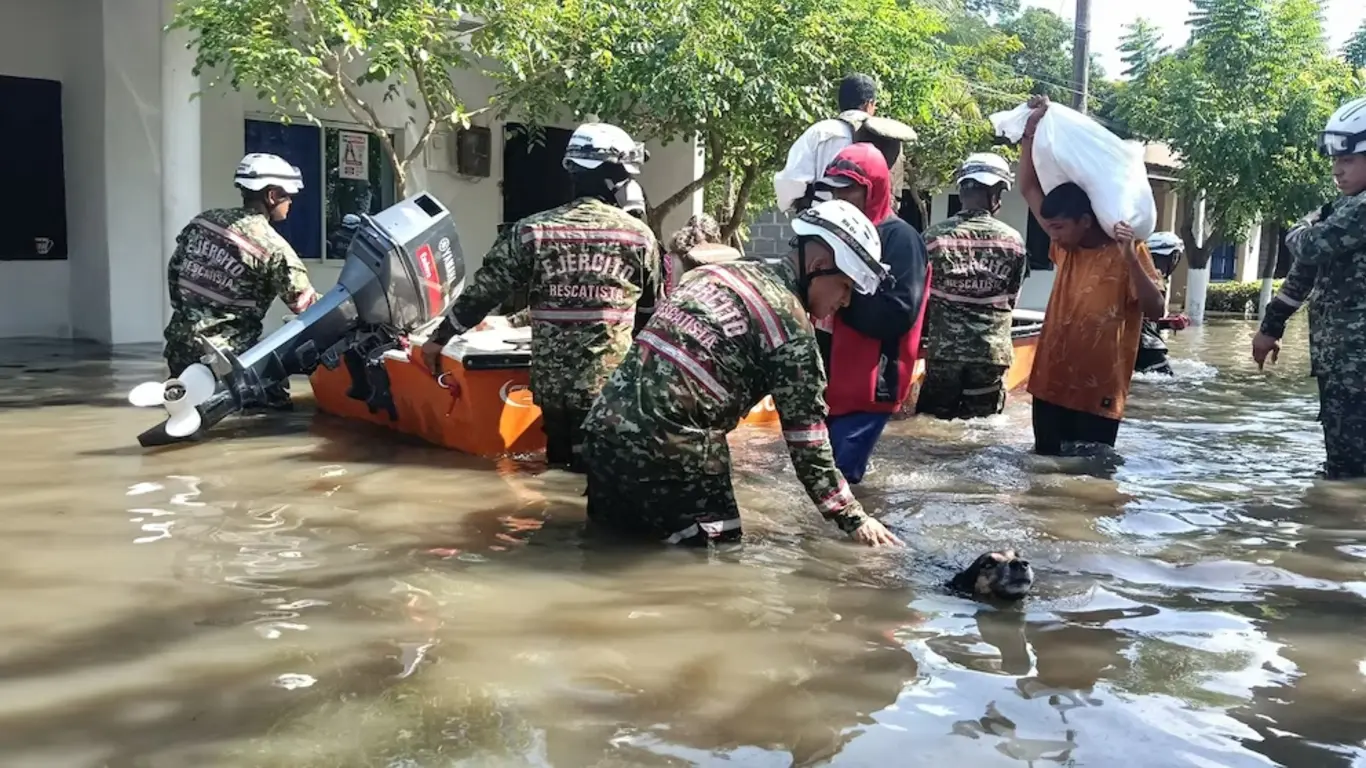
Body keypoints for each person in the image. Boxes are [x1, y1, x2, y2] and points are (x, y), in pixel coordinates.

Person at [581, 199, 903, 548]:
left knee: (607, 549)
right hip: (675, 456)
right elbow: (808, 444)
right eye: (845, 286)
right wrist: (854, 517)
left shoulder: (714, 274)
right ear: (819, 265)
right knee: (720, 566)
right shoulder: (791, 331)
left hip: (601, 434)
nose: (847, 302)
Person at [420, 122, 660, 473]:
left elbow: (483, 294)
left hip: (551, 391)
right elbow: (652, 317)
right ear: (615, 177)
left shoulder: (532, 232)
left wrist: (437, 340)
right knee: (596, 483)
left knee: (558, 469)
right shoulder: (639, 238)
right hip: (609, 392)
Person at [1017, 96, 1166, 456]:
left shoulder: (1127, 250)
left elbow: (1157, 309)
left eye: (1059, 228)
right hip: (1050, 384)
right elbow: (1028, 189)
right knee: (1045, 476)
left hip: (1099, 391)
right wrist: (1029, 134)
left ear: (1085, 221)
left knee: (1089, 481)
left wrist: (1131, 258)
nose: (1052, 235)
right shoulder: (1064, 246)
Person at [1252, 95, 1366, 480]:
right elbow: (1304, 272)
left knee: (1350, 472)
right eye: (1335, 160)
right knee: (1343, 464)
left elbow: (1309, 245)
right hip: (1342, 363)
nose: (1337, 169)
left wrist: (1302, 225)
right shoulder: (1345, 207)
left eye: (1347, 159)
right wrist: (1271, 326)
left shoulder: (1360, 208)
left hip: (1357, 366)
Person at [810, 143, 930, 482]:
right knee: (829, 477)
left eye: (849, 189)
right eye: (834, 189)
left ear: (873, 188)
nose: (840, 197)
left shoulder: (902, 239)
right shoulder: (837, 234)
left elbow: (899, 312)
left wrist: (842, 297)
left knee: (838, 480)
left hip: (869, 386)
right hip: (831, 384)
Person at [163, 152, 319, 409]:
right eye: (286, 195)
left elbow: (174, 274)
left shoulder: (202, 222)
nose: (290, 201)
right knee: (275, 410)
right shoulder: (273, 247)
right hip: (230, 359)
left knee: (181, 411)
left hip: (180, 349)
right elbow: (309, 308)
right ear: (271, 196)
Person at [917, 153, 1028, 421]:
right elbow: (1011, 300)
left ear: (962, 190)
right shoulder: (1013, 242)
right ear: (996, 195)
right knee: (982, 436)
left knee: (931, 431)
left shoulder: (933, 238)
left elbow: (919, 299)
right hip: (990, 356)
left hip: (943, 353)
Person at [772, 74, 918, 214]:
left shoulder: (819, 132)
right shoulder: (889, 136)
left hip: (826, 223)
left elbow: (790, 183)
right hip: (874, 227)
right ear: (869, 104)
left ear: (840, 103)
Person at [1134, 231, 1192, 376]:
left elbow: (1144, 317)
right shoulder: (1151, 279)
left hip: (1137, 345)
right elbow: (1145, 316)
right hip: (1148, 348)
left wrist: (1168, 323)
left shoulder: (1143, 276)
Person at [661, 213, 742, 297]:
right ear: (713, 236)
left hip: (673, 307)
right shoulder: (724, 257)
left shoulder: (669, 259)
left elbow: (661, 294)